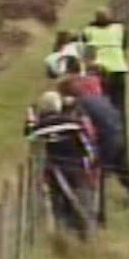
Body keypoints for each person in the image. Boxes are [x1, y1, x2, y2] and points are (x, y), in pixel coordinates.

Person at [60, 75, 129, 226]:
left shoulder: (80, 105)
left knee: (98, 180)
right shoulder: (100, 99)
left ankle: (100, 218)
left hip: (107, 142)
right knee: (127, 176)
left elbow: (84, 128)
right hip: (119, 137)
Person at [25, 90, 97, 239]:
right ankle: (86, 235)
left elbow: (30, 138)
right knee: (83, 203)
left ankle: (65, 236)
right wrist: (91, 163)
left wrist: (30, 120)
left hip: (55, 172)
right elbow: (87, 145)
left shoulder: (40, 128)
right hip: (77, 169)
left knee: (60, 207)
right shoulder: (73, 123)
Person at [81, 7, 129, 146]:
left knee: (100, 110)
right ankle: (121, 145)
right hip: (118, 71)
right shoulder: (119, 29)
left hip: (100, 73)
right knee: (119, 111)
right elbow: (124, 45)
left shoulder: (89, 31)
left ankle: (103, 143)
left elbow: (86, 51)